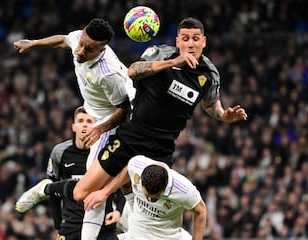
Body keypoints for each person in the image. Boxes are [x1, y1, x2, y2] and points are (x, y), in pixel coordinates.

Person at [16, 17, 247, 230]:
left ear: (203, 42)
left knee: (149, 203)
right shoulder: (162, 53)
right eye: (185, 38)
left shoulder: (210, 74)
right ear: (178, 40)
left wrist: (226, 116)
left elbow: (211, 107)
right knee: (80, 193)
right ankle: (45, 189)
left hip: (162, 147)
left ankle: (126, 224)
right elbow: (134, 71)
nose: (190, 44)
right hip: (131, 134)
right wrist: (174, 62)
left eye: (195, 39)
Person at [13, 18, 135, 239]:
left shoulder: (108, 74)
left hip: (112, 123)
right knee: (96, 186)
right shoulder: (80, 39)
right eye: (82, 43)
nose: (80, 50)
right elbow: (63, 41)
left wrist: (99, 129)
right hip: (100, 116)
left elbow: (124, 109)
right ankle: (128, 220)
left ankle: (47, 189)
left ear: (102, 48)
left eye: (88, 49)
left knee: (92, 186)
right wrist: (32, 43)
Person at [16, 106, 125, 240]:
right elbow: (54, 192)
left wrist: (119, 209)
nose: (84, 125)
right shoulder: (60, 152)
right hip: (71, 224)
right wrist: (57, 225)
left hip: (102, 222)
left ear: (96, 125)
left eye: (89, 121)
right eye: (80, 121)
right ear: (73, 126)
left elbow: (119, 183)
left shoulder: (105, 153)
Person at [118, 155, 206, 240]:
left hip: (168, 236)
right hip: (136, 232)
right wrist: (108, 192)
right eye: (147, 196)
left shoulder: (184, 191)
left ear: (165, 188)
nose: (150, 200)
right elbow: (126, 173)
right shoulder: (136, 165)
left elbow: (201, 211)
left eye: (156, 198)